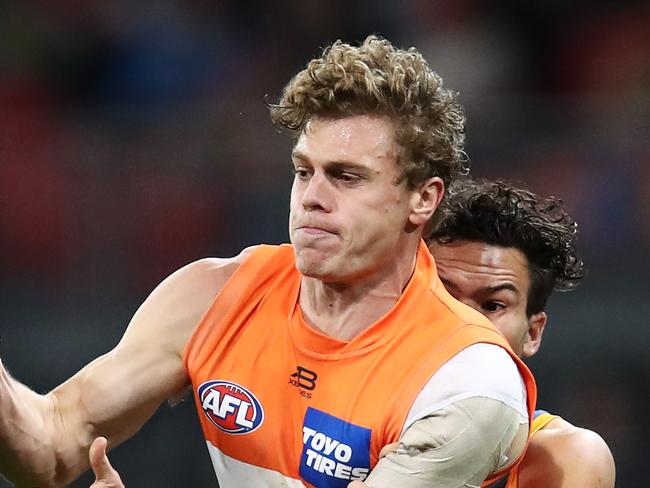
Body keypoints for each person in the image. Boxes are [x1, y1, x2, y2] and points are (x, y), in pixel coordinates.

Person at [0, 36, 535, 488]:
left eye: (346, 177)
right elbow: (49, 446)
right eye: (304, 172)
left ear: (423, 198)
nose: (312, 198)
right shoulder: (215, 296)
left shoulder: (466, 380)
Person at [425, 178, 616, 487]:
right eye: (443, 296)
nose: (464, 323)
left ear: (532, 333)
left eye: (492, 305)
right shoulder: (334, 405)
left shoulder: (563, 458)